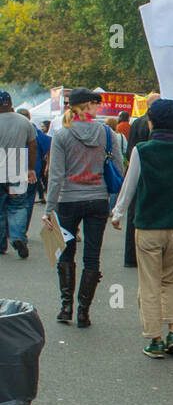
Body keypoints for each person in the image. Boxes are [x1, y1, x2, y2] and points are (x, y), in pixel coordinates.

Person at [111, 99, 173, 357]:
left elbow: (129, 187)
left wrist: (118, 213)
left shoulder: (142, 150)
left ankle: (155, 339)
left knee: (150, 284)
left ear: (151, 121)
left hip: (148, 225)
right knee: (169, 281)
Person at [43, 89, 110, 324]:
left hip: (68, 200)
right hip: (98, 198)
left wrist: (48, 208)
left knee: (66, 251)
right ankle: (84, 311)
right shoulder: (105, 132)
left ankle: (66, 306)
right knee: (92, 256)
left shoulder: (61, 135)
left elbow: (56, 175)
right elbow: (118, 167)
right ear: (88, 106)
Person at [123, 91, 159, 268]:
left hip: (137, 171)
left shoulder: (136, 123)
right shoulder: (155, 125)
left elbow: (130, 150)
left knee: (133, 213)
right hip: (152, 174)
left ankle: (130, 256)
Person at [0, 90, 37, 257]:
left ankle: (1, 244)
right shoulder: (24, 122)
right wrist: (30, 168)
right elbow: (33, 145)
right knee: (18, 207)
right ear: (10, 103)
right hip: (17, 170)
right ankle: (17, 237)